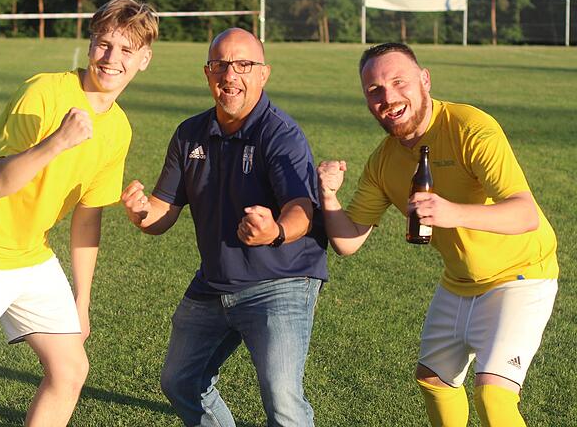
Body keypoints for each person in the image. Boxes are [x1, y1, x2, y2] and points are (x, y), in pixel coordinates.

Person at [0, 0, 157, 426]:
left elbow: (88, 215)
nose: (111, 59)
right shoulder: (44, 92)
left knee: (70, 371)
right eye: (104, 45)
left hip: (30, 255)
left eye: (126, 50)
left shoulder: (119, 128)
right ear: (90, 45)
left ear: (144, 59)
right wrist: (57, 142)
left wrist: (82, 300)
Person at [317, 42, 558, 427]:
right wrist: (327, 194)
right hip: (459, 281)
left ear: (425, 80)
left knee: (493, 395)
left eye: (399, 82)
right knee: (433, 379)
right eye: (375, 90)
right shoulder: (384, 161)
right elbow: (348, 241)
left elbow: (526, 214)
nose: (389, 97)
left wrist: (450, 212)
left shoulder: (470, 127)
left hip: (522, 274)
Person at [120, 28, 328, 426]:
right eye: (220, 65)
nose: (230, 75)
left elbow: (303, 209)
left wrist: (275, 232)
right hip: (214, 282)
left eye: (243, 65)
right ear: (207, 72)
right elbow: (163, 212)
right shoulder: (189, 134)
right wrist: (142, 214)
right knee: (181, 380)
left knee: (283, 401)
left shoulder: (281, 134)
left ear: (263, 74)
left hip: (280, 280)